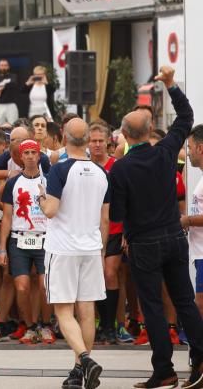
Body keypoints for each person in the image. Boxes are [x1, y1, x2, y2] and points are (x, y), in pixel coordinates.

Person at [110, 67, 203, 389]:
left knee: (152, 307)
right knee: (185, 301)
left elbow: (118, 214)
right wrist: (170, 84)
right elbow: (186, 116)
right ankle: (201, 360)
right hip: (174, 237)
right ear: (150, 131)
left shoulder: (120, 168)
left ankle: (164, 371)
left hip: (144, 243)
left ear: (123, 134)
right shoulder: (166, 152)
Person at [40, 118, 107, 389]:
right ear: (88, 139)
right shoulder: (101, 172)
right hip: (91, 247)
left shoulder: (59, 170)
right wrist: (100, 249)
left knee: (64, 311)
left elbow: (51, 210)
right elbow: (105, 219)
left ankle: (85, 360)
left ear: (64, 138)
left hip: (63, 247)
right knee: (87, 311)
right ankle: (80, 371)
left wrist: (41, 198)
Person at [0, 139, 49, 345]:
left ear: (38, 156)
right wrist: (2, 248)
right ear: (20, 156)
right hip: (20, 239)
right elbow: (7, 217)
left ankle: (45, 325)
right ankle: (29, 326)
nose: (29, 156)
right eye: (25, 153)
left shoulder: (49, 180)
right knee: (21, 286)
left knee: (45, 285)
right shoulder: (13, 183)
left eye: (32, 152)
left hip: (45, 238)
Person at [90, 122, 123, 346]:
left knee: (109, 273)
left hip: (114, 228)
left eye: (101, 140)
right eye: (93, 141)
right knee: (94, 278)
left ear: (109, 142)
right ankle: (101, 324)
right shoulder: (81, 166)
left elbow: (128, 199)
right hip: (89, 230)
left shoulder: (117, 167)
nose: (98, 145)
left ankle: (110, 326)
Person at [184, 126, 203, 321]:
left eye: (190, 148)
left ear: (200, 148)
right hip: (199, 254)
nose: (188, 153)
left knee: (200, 305)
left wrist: (187, 220)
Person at [0, 59, 20, 126]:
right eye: (2, 65)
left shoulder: (13, 76)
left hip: (11, 105)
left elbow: (13, 83)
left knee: (13, 124)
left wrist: (2, 87)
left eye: (5, 65)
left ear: (8, 66)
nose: (3, 67)